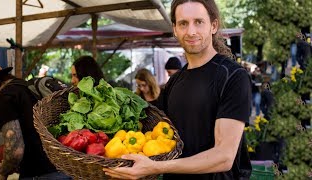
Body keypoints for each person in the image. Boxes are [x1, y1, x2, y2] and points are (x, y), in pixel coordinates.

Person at [103, 0, 252, 179]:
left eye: (198, 22)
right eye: (183, 23)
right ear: (175, 29)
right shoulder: (174, 82)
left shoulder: (233, 76)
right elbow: (152, 129)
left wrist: (157, 167)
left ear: (213, 26)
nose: (191, 31)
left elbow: (224, 157)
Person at [0, 61, 71, 180]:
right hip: (62, 168)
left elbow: (15, 151)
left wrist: (2, 174)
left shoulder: (3, 98)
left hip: (40, 174)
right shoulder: (22, 86)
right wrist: (7, 164)